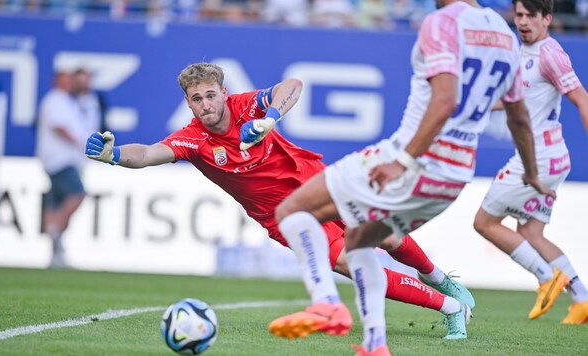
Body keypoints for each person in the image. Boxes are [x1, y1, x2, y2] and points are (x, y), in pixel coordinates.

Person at [85, 62, 473, 339]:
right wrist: (114, 156)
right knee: (348, 263)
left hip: (318, 185)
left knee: (385, 237)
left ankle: (443, 282)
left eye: (210, 95)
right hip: (284, 217)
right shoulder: (193, 140)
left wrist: (269, 116)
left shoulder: (245, 107)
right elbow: (150, 154)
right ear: (188, 104)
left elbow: (293, 85)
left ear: (224, 93)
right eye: (196, 99)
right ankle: (453, 309)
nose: (205, 104)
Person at [265, 0, 556, 352]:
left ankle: (325, 302)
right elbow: (519, 118)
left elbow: (445, 99)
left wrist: (402, 161)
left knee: (292, 212)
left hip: (411, 160)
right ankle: (375, 344)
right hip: (454, 176)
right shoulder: (505, 36)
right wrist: (532, 172)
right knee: (358, 241)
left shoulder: (441, 22)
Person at [473, 0, 588, 324]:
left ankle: (545, 275)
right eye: (519, 15)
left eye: (529, 16)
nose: (522, 22)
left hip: (538, 158)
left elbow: (581, 99)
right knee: (531, 233)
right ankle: (582, 299)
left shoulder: (550, 54)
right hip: (549, 156)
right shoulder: (522, 51)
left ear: (547, 19)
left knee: (484, 223)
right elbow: (515, 102)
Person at [36, 68, 101, 268]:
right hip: (60, 159)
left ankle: (55, 250)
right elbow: (59, 126)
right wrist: (79, 143)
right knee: (77, 194)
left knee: (55, 201)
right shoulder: (55, 100)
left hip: (66, 159)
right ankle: (55, 231)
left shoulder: (72, 102)